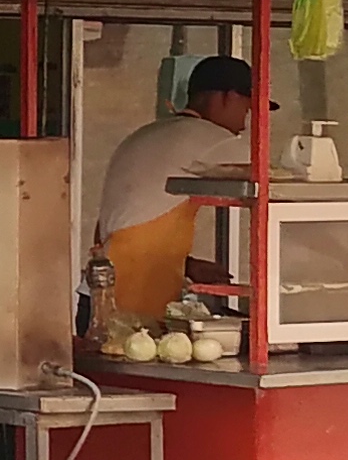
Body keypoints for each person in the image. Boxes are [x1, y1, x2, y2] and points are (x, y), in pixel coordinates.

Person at [91, 54, 255, 325]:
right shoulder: (209, 138)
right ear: (227, 97)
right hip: (129, 304)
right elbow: (276, 183)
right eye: (246, 110)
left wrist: (185, 264)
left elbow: (123, 220)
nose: (244, 124)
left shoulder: (149, 134)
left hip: (98, 293)